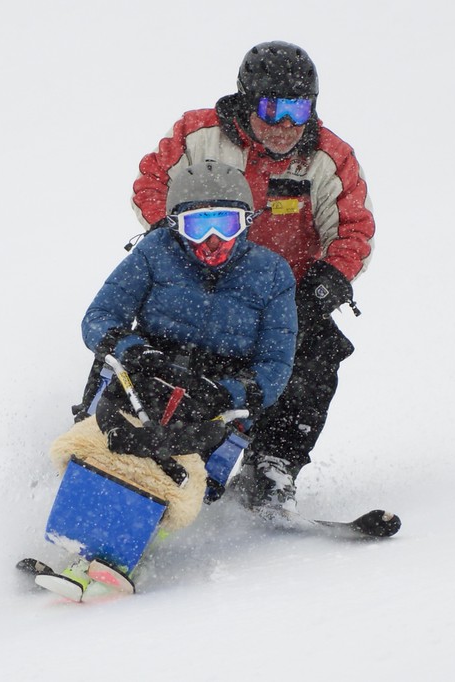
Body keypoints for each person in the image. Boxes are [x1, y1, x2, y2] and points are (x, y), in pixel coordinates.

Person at [33, 161, 297, 600]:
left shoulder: (271, 274)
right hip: (147, 374)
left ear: (246, 223)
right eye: (198, 226)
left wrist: (228, 394)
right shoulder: (156, 252)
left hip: (214, 395)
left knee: (182, 465)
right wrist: (134, 352)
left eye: (226, 223)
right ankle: (81, 542)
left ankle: (135, 551)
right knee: (114, 441)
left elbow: (276, 365)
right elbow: (99, 318)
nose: (213, 240)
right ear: (176, 225)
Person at [130, 41, 375, 513]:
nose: (285, 125)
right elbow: (150, 182)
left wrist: (325, 282)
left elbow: (353, 227)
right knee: (171, 346)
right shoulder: (197, 135)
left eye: (298, 109)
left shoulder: (327, 158)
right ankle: (133, 445)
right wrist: (180, 238)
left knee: (317, 352)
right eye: (272, 108)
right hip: (200, 277)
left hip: (284, 294)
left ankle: (272, 464)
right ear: (246, 99)